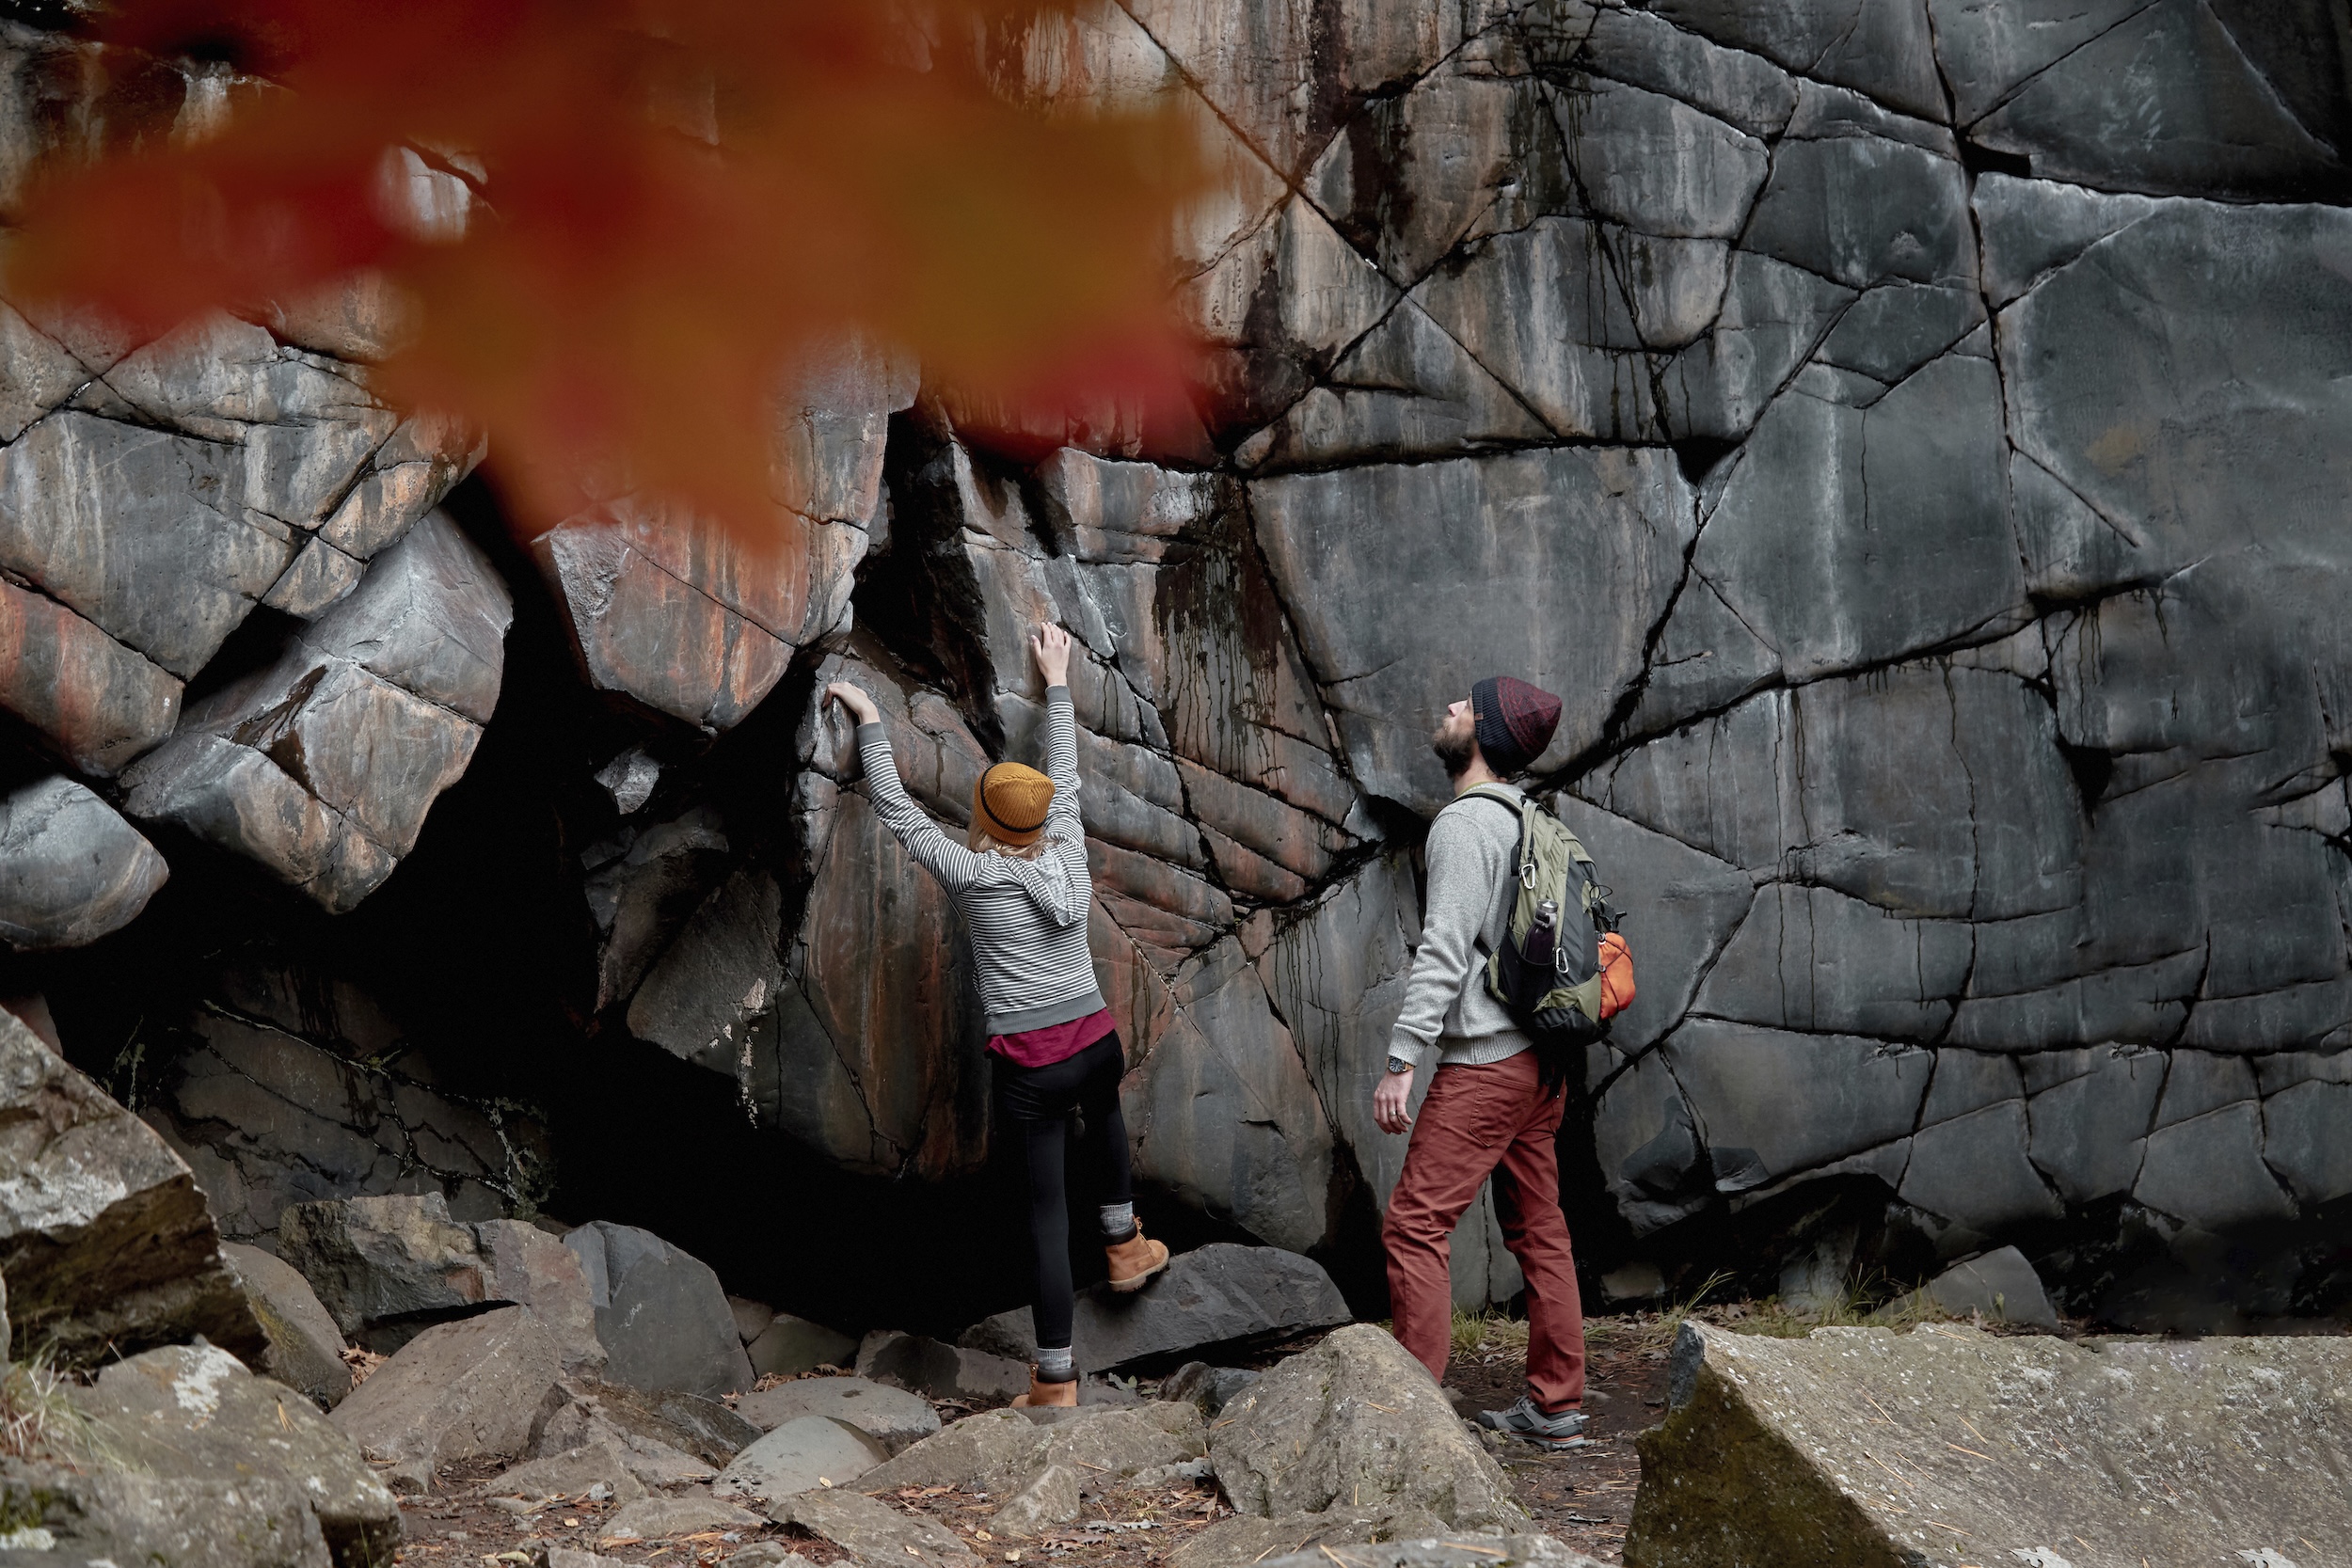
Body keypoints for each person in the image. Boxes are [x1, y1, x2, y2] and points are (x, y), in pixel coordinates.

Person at [823, 624, 1168, 1409]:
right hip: (1096, 1042)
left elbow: (901, 813)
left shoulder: (974, 873)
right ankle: (1123, 1241)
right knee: (1105, 1110)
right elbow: (1064, 773)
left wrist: (870, 719)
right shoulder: (1068, 846)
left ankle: (1055, 1379)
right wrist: (1058, 680)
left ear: (984, 817)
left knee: (1047, 1214)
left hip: (1033, 1070)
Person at [1373, 675, 1588, 1449]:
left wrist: (1402, 1055)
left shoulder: (1465, 824)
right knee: (1540, 1226)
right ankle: (1557, 1404)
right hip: (1542, 1061)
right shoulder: (1532, 818)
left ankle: (1413, 1425)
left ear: (1485, 732)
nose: (1451, 708)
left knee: (1414, 1226)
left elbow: (1442, 950)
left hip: (1490, 1064)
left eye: (1466, 705)